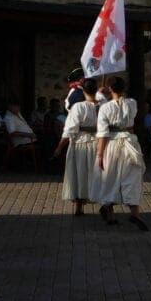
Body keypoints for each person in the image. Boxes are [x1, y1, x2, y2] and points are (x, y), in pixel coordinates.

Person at [93, 76, 148, 231]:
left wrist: (100, 154)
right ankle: (135, 213)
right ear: (124, 88)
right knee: (132, 177)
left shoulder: (105, 108)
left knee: (110, 177)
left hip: (112, 143)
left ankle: (109, 214)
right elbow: (123, 105)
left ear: (110, 89)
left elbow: (102, 133)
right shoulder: (132, 104)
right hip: (130, 142)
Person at [52, 78, 100, 216]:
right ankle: (107, 207)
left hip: (81, 144)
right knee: (99, 175)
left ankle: (79, 206)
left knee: (80, 174)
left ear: (83, 90)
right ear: (96, 90)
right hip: (99, 144)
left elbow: (69, 130)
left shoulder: (78, 107)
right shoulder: (104, 106)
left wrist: (59, 147)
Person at [4, 100, 39, 169]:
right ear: (10, 107)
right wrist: (28, 135)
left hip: (30, 138)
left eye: (18, 106)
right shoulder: (8, 118)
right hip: (23, 141)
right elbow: (12, 133)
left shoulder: (18, 114)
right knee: (47, 140)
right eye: (16, 107)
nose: (18, 108)